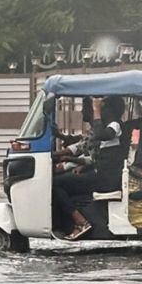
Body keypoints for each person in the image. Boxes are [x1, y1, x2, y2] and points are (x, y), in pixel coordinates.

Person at [52, 95, 125, 240]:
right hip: (99, 173)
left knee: (54, 184)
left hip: (105, 178)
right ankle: (73, 221)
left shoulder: (114, 125)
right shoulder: (105, 126)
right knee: (56, 184)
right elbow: (93, 156)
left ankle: (81, 222)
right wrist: (80, 164)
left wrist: (96, 109)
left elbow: (99, 136)